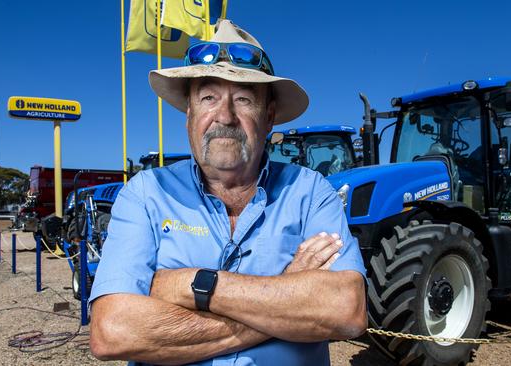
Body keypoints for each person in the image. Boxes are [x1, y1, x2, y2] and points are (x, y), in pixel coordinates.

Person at [89, 20, 367, 366]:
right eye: (208, 97)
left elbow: (347, 309)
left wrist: (189, 285)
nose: (225, 116)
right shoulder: (145, 194)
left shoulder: (311, 192)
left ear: (268, 117)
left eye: (244, 99)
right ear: (189, 113)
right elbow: (112, 332)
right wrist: (285, 296)